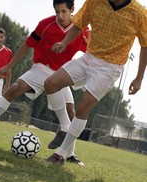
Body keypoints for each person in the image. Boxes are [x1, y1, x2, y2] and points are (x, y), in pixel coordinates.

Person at [0, 0, 90, 166]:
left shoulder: (82, 28)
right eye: (57, 12)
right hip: (41, 68)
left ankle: (69, 154)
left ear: (72, 10)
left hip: (61, 73)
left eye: (64, 11)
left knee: (71, 111)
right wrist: (9, 66)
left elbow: (90, 54)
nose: (60, 16)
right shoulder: (45, 24)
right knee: (15, 88)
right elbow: (27, 45)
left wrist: (91, 46)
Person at [43, 0, 147, 165]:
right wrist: (64, 42)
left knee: (83, 106)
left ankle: (60, 154)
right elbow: (79, 24)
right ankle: (65, 126)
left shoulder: (139, 12)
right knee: (50, 83)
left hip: (110, 67)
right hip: (88, 58)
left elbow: (145, 45)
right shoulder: (94, 1)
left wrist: (139, 77)